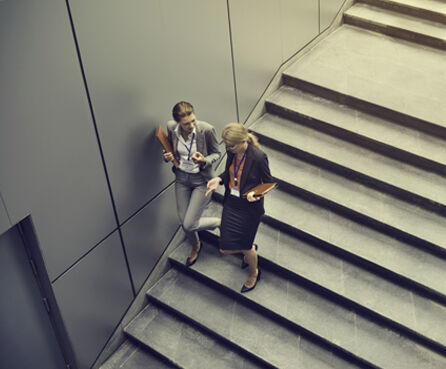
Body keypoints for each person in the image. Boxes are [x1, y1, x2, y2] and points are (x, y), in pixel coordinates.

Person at [206, 123, 273, 292]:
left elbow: (269, 184)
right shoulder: (232, 152)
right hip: (232, 204)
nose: (228, 149)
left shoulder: (258, 157)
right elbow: (229, 172)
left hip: (250, 210)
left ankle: (253, 273)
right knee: (224, 247)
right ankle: (251, 250)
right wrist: (219, 180)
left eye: (231, 145)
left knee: (245, 246)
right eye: (226, 145)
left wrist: (256, 194)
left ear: (243, 141)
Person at [163, 101, 221, 266]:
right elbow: (170, 151)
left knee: (189, 223)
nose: (191, 125)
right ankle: (196, 244)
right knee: (184, 221)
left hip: (201, 180)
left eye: (193, 121)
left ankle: (218, 223)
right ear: (178, 122)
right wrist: (167, 157)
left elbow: (217, 153)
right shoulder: (171, 128)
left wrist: (204, 159)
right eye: (186, 123)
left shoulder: (206, 130)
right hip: (181, 178)